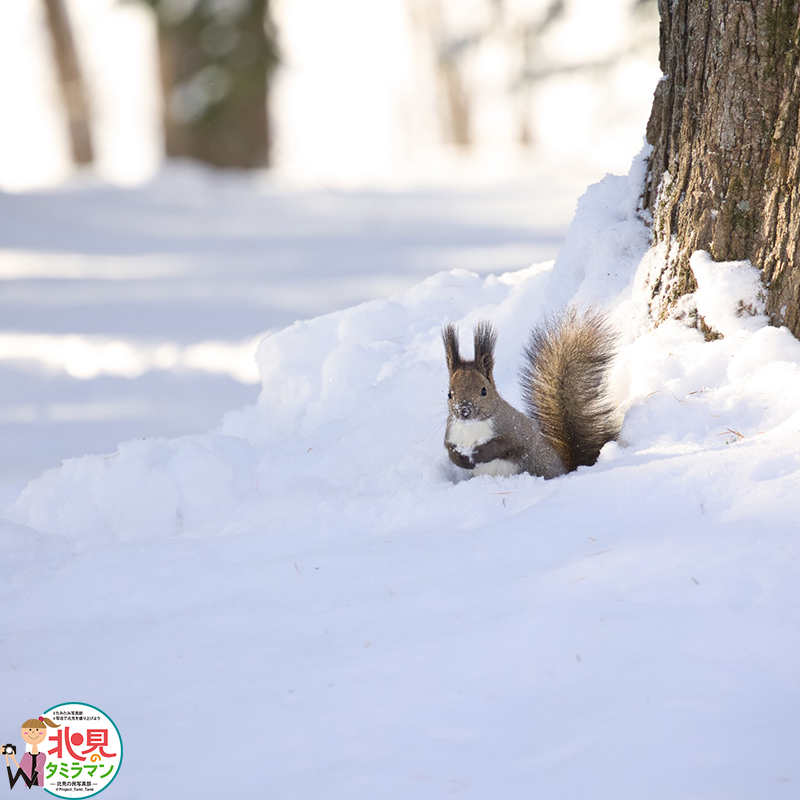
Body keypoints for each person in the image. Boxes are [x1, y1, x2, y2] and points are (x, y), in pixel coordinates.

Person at [4, 717, 60, 789]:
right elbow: (14, 779)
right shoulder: (26, 756)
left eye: (37, 730)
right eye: (30, 730)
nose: (33, 732)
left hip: (39, 789)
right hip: (27, 791)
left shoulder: (42, 756)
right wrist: (9, 758)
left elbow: (32, 780)